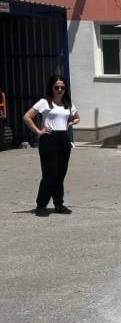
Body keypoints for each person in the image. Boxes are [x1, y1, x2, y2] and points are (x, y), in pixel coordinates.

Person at [22, 75, 80, 217]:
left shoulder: (68, 104)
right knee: (50, 173)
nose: (59, 90)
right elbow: (27, 117)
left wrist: (70, 123)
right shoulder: (44, 102)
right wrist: (38, 131)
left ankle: (58, 204)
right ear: (51, 88)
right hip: (49, 138)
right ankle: (41, 205)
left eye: (62, 87)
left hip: (63, 139)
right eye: (57, 87)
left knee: (61, 173)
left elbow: (77, 117)